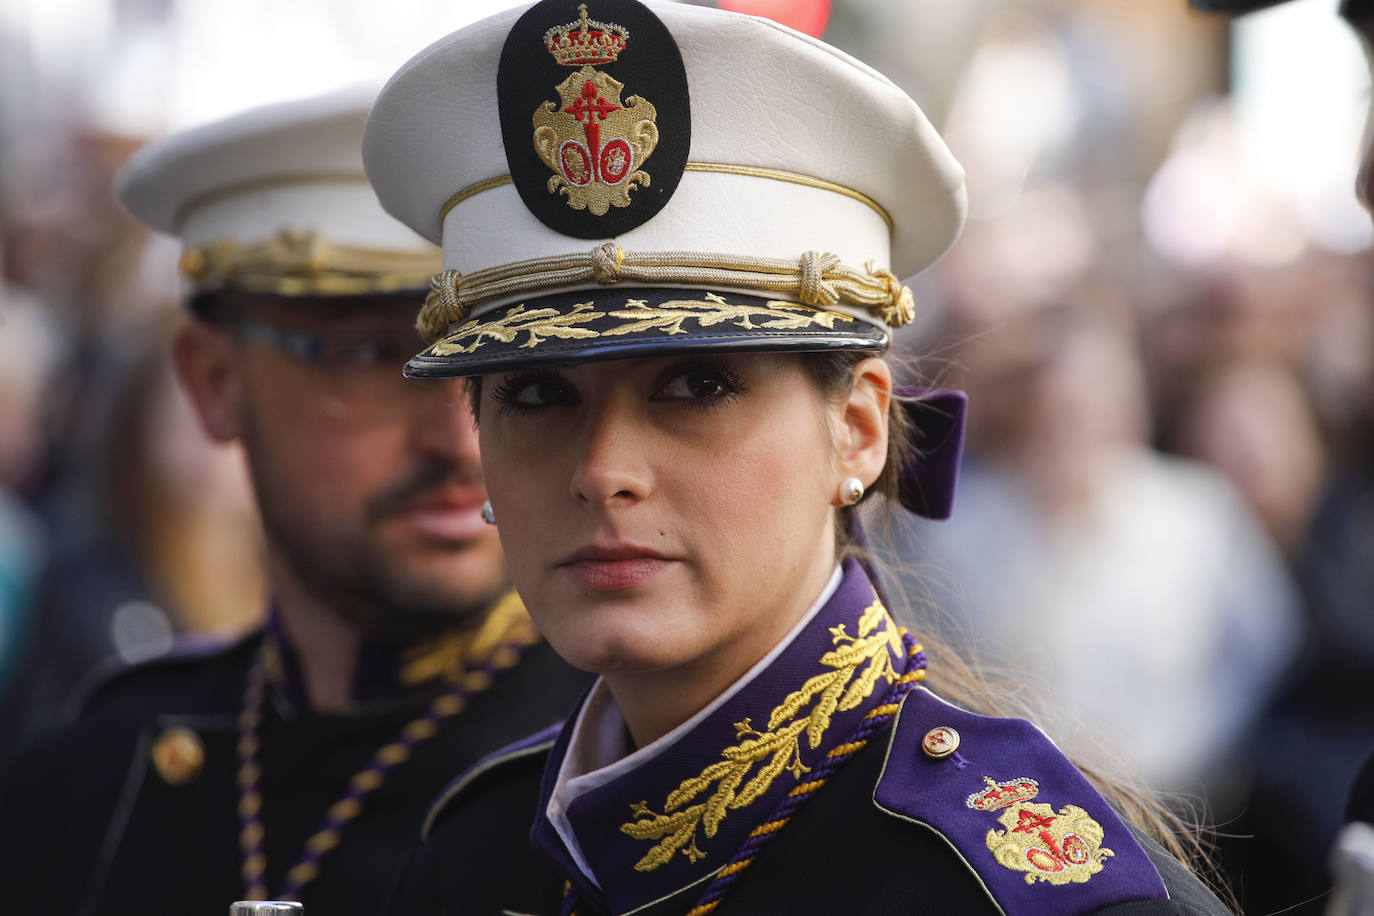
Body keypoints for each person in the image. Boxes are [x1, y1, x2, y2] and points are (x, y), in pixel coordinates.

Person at [362, 2, 1234, 913]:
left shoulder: (1023, 896)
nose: (602, 469)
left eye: (696, 387)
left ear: (856, 428)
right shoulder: (473, 860)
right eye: (537, 394)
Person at [0, 87, 588, 916]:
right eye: (374, 357)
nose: (462, 441)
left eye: (503, 364)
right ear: (214, 382)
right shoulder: (93, 782)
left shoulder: (632, 767)